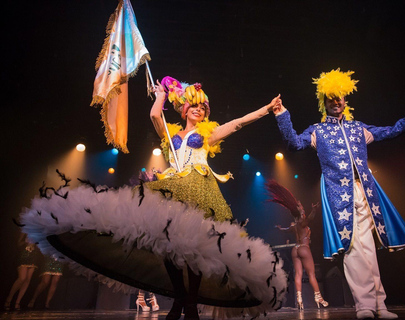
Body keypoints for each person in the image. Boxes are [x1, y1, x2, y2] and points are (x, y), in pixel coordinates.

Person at [19, 77, 288, 319]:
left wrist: (266, 108)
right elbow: (154, 115)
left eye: (203, 108)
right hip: (173, 187)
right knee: (169, 247)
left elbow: (238, 123)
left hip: (199, 187)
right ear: (184, 109)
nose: (198, 110)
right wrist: (160, 94)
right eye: (193, 106)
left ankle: (191, 301)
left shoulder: (208, 135)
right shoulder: (170, 136)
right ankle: (180, 297)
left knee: (196, 248)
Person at [272, 69, 405, 320]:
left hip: (365, 191)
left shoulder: (359, 128)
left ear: (346, 100)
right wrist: (282, 115)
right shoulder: (318, 131)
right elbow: (293, 143)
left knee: (368, 248)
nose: (336, 102)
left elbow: (391, 131)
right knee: (354, 247)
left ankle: (379, 305)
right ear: (323, 102)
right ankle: (364, 306)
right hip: (338, 194)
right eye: (331, 98)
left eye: (340, 97)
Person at [266, 180, 328, 310]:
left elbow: (285, 230)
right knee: (311, 275)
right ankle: (319, 297)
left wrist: (279, 228)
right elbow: (310, 219)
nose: (302, 207)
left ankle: (299, 299)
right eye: (300, 207)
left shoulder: (293, 225)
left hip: (295, 249)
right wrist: (314, 210)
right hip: (304, 249)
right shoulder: (301, 222)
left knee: (298, 274)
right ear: (299, 212)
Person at [4, 233, 39, 311]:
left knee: (27, 280)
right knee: (22, 278)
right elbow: (19, 243)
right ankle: (9, 299)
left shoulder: (38, 230)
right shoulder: (24, 230)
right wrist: (26, 242)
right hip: (24, 254)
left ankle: (17, 302)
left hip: (33, 255)